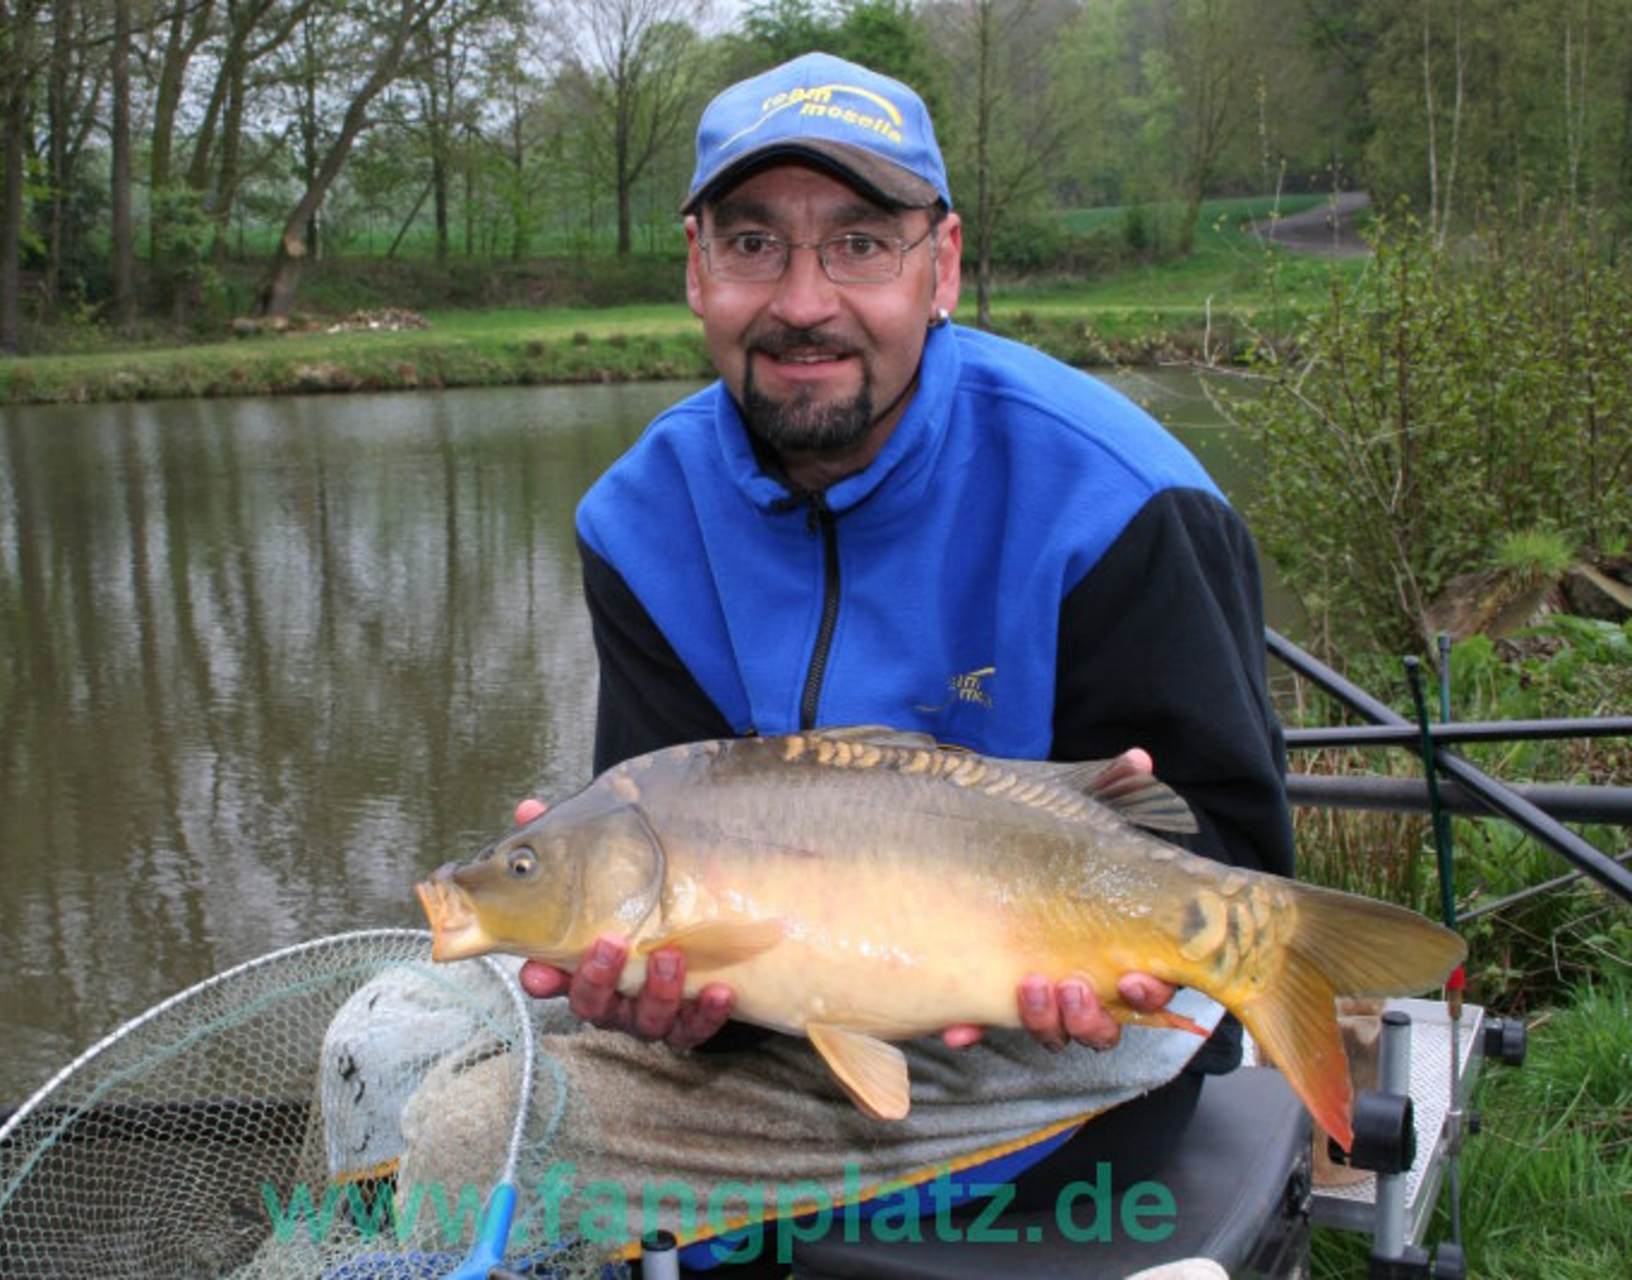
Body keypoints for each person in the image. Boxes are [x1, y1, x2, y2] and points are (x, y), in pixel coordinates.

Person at [518, 50, 1292, 1210]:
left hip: (1072, 1028)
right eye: (753, 243)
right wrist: (671, 1001)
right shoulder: (640, 520)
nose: (803, 300)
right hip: (785, 1010)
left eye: (861, 243)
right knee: (387, 1035)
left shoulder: (1122, 499)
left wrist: (1104, 965)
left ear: (944, 266)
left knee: (467, 1133)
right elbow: (664, 855)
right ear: (697, 269)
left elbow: (1233, 852)